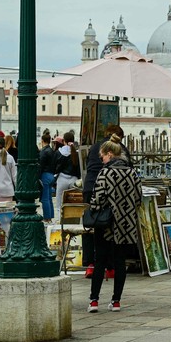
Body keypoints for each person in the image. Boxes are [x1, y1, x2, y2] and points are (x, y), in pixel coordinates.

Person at [87, 139, 141, 313]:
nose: (101, 159)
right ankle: (116, 301)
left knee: (100, 261)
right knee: (119, 262)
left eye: (102, 156)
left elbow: (96, 201)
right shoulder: (132, 172)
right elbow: (138, 198)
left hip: (106, 225)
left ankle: (94, 301)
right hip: (126, 224)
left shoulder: (105, 173)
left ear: (109, 154)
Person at [55, 132, 80, 209]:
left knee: (59, 204)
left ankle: (60, 219)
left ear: (64, 141)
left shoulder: (59, 152)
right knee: (74, 203)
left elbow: (56, 166)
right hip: (74, 180)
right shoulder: (76, 153)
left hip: (62, 178)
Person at [39, 130, 58, 222]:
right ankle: (50, 216)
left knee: (45, 198)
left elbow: (41, 165)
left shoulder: (44, 152)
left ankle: (47, 217)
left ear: (42, 141)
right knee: (49, 197)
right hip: (51, 175)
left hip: (45, 176)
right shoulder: (51, 151)